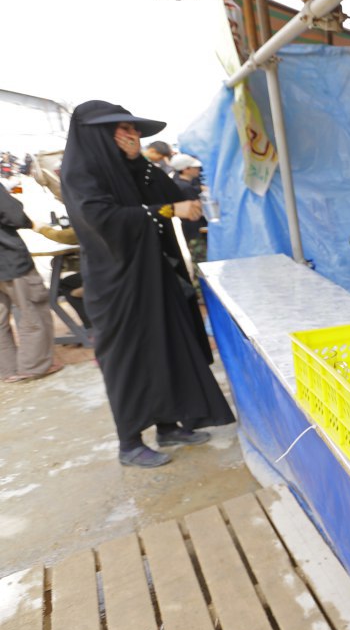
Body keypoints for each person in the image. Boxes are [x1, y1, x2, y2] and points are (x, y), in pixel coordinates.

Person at [60, 101, 235, 468]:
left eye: (134, 129)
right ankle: (129, 442)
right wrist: (167, 212)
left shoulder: (130, 169)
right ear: (96, 135)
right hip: (118, 284)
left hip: (155, 274)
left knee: (166, 347)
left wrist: (141, 162)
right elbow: (101, 218)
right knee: (129, 359)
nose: (132, 136)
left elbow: (166, 191)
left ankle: (169, 426)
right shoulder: (80, 173)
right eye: (121, 129)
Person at [0, 185, 59, 382]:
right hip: (8, 260)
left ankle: (6, 370)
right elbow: (13, 214)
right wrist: (31, 223)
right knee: (32, 310)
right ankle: (34, 366)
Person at [169, 155, 207, 263]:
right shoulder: (186, 188)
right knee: (201, 262)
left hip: (190, 230)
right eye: (194, 167)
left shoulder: (179, 184)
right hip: (196, 231)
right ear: (186, 169)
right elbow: (197, 210)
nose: (198, 170)